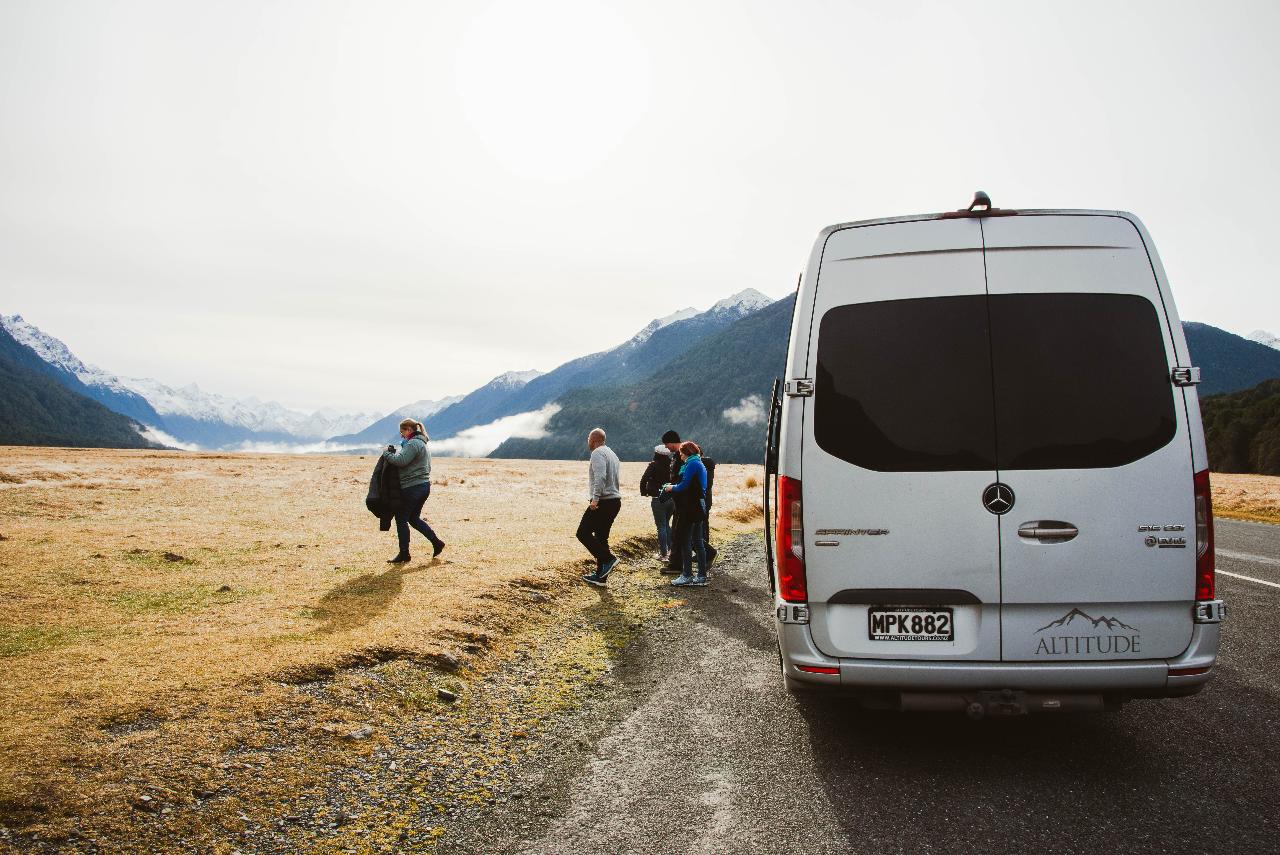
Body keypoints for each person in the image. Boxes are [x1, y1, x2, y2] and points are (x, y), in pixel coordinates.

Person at [383, 418, 445, 563]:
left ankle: (404, 554)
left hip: (412, 487)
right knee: (413, 518)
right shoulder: (421, 443)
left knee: (401, 519)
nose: (401, 435)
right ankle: (436, 542)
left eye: (402, 432)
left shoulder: (413, 444)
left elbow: (401, 461)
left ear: (409, 430)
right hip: (423, 486)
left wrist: (386, 453)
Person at [579, 427, 623, 587]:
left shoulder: (597, 453)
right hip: (614, 501)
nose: (587, 441)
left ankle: (609, 559)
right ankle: (600, 576)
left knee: (582, 533)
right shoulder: (612, 453)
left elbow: (601, 477)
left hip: (603, 501)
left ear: (594, 439)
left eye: (588, 438)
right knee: (601, 537)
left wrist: (595, 500)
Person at [662, 441, 708, 587]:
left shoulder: (691, 464)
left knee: (685, 540)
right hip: (698, 506)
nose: (680, 455)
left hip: (690, 507)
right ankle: (701, 576)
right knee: (698, 541)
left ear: (687, 452)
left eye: (681, 452)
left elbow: (684, 485)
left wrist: (670, 488)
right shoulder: (698, 462)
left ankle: (687, 575)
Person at [639, 429, 680, 561]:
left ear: (657, 453)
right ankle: (671, 551)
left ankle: (664, 554)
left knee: (661, 526)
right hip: (672, 498)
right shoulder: (672, 464)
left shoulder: (653, 465)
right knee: (667, 525)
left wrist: (644, 492)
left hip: (658, 499)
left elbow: (643, 479)